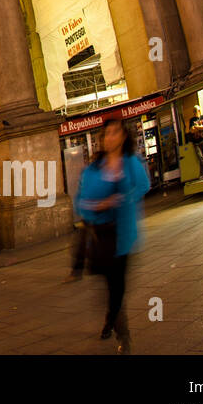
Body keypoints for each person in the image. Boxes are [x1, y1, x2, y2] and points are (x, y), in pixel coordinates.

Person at [75, 116, 150, 355]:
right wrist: (99, 205)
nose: (110, 137)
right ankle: (119, 329)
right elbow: (81, 202)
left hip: (125, 235)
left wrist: (123, 198)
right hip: (103, 237)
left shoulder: (131, 163)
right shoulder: (93, 169)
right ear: (102, 139)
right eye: (107, 134)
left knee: (118, 288)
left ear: (124, 136)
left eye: (115, 132)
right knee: (112, 288)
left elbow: (143, 185)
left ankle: (116, 324)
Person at [187, 107, 203, 176]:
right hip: (196, 142)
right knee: (200, 157)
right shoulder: (192, 120)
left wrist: (196, 127)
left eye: (195, 111)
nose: (194, 112)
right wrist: (200, 127)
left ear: (199, 111)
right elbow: (191, 130)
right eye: (194, 111)